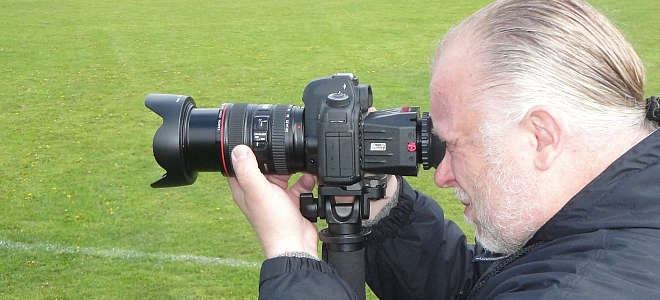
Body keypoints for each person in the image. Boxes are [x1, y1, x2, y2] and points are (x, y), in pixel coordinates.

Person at [227, 0, 660, 299]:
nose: (442, 175)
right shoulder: (621, 215)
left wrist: (294, 261)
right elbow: (485, 289)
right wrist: (382, 208)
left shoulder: (583, 286)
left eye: (454, 145)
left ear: (541, 137)